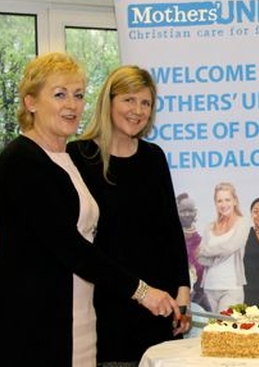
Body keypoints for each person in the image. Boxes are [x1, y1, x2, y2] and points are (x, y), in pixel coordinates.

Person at [0, 53, 180, 367]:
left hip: (77, 321)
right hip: (36, 328)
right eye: (59, 94)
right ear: (31, 102)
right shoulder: (21, 161)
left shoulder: (64, 158)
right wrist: (142, 291)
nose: (72, 105)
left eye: (78, 95)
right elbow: (69, 246)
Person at [67, 65, 191, 366]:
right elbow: (75, 243)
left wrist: (183, 294)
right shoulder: (78, 156)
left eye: (145, 103)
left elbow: (171, 230)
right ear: (108, 102)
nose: (137, 110)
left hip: (162, 309)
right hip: (108, 308)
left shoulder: (154, 157)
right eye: (129, 100)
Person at [196, 182, 249, 313]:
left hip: (231, 288)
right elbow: (199, 257)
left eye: (227, 200)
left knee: (225, 329)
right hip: (209, 287)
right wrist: (212, 253)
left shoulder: (243, 222)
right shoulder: (209, 226)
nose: (223, 204)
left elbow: (230, 247)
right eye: (219, 201)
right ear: (215, 203)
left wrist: (208, 252)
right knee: (211, 331)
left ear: (235, 201)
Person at [176, 192, 210, 311]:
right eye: (183, 211)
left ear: (195, 212)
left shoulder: (201, 241)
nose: (187, 214)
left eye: (190, 210)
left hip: (197, 297)